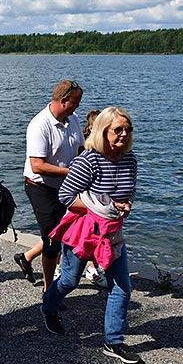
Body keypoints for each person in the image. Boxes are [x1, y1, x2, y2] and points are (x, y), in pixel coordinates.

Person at [41, 107, 143, 364]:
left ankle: (113, 341)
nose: (123, 134)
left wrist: (126, 205)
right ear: (103, 131)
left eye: (127, 129)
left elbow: (128, 193)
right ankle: (48, 305)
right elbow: (65, 197)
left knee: (122, 287)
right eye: (117, 129)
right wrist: (101, 209)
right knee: (69, 281)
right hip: (84, 231)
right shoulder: (88, 161)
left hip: (111, 233)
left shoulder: (130, 160)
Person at [17, 80, 84, 294]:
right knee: (53, 237)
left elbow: (81, 150)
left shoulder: (72, 120)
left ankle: (27, 258)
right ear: (63, 101)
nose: (78, 107)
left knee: (71, 231)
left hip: (66, 186)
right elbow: (37, 166)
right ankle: (49, 290)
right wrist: (71, 172)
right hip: (41, 187)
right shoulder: (40, 124)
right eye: (75, 102)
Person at [82, 108, 108, 288]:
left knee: (95, 234)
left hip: (96, 201)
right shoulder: (87, 149)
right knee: (72, 236)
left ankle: (93, 268)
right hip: (85, 199)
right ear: (92, 127)